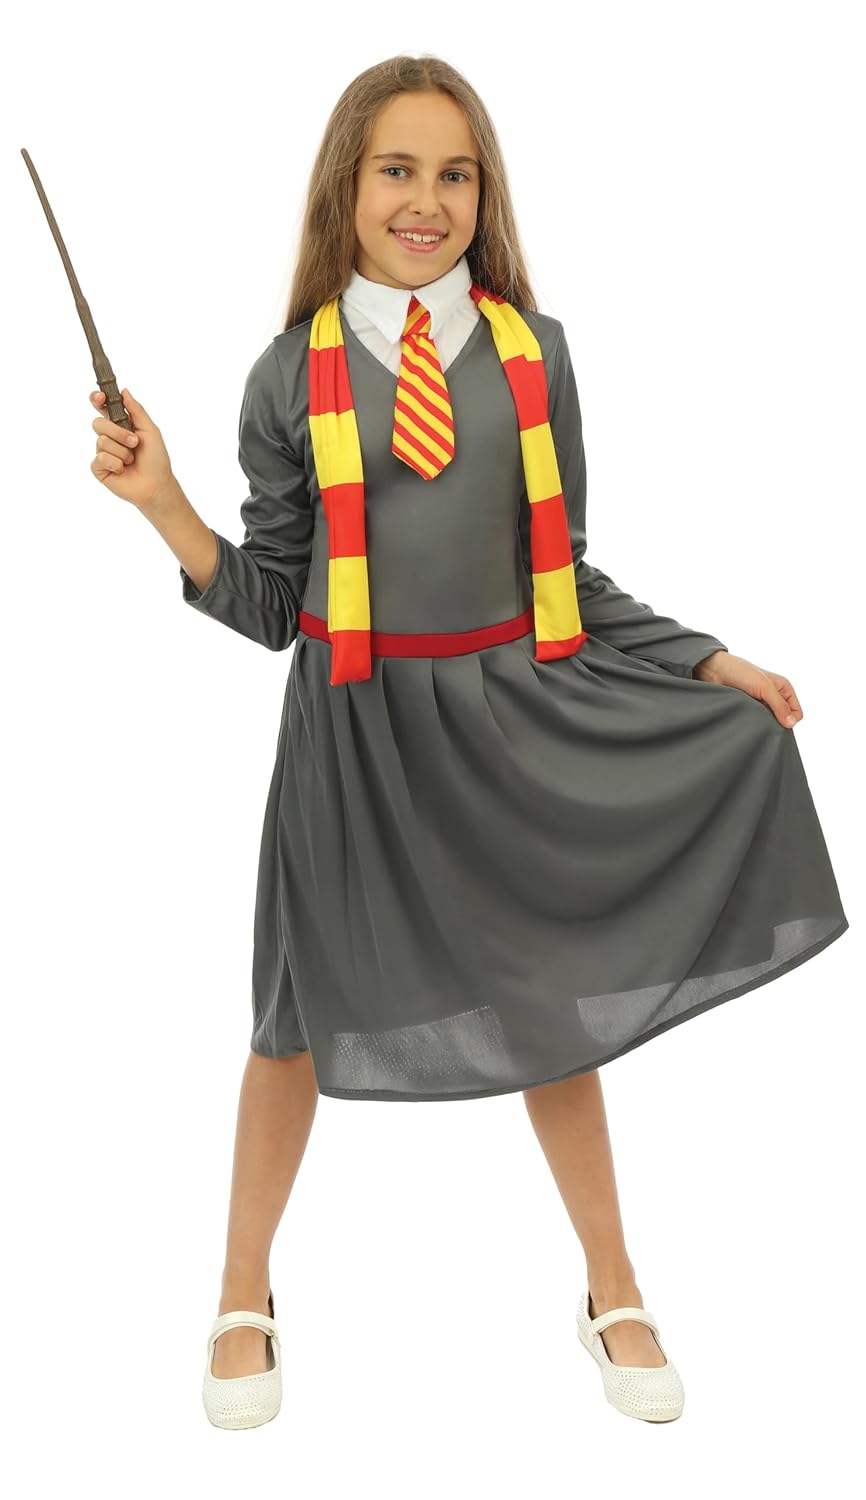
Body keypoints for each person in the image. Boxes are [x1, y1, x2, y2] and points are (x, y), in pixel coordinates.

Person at [88, 56, 848, 1428]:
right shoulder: (287, 376)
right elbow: (273, 604)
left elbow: (567, 571)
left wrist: (705, 660)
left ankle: (611, 1284)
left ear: (483, 196)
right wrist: (163, 502)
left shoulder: (532, 354)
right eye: (397, 170)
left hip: (507, 722)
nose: (424, 201)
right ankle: (242, 1290)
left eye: (455, 174)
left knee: (551, 1005)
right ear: (347, 186)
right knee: (292, 1020)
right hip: (353, 737)